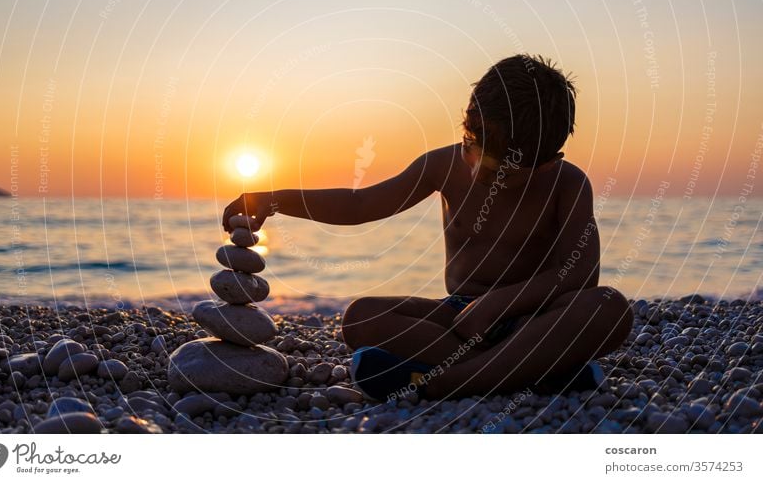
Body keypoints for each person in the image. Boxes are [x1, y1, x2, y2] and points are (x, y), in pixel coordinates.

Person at [222, 53, 633, 401]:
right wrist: (273, 199)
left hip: (534, 317)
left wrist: (497, 304)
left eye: (503, 174)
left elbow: (580, 273)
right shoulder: (443, 165)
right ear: (467, 128)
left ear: (548, 159)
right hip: (457, 319)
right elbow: (360, 203)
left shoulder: (567, 183)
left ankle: (447, 383)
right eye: (476, 152)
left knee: (608, 307)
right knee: (361, 318)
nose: (482, 175)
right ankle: (537, 371)